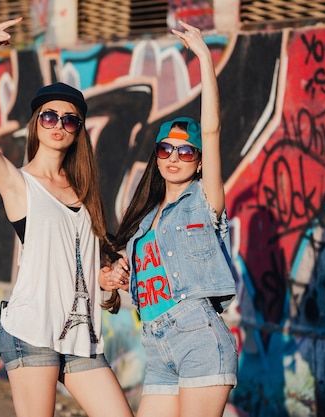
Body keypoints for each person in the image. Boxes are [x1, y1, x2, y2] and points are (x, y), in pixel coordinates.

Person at [0, 17, 133, 417]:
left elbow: (88, 272)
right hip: (32, 333)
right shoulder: (17, 183)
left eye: (69, 119)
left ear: (78, 131)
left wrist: (107, 279)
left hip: (80, 336)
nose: (58, 124)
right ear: (37, 123)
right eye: (49, 116)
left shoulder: (86, 195)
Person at [99, 21, 238, 417]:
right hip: (157, 346)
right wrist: (112, 279)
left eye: (186, 152)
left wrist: (206, 60)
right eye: (165, 149)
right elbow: (135, 287)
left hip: (199, 339)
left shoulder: (203, 201)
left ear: (198, 163)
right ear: (156, 156)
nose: (174, 158)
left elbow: (211, 131)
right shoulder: (142, 223)